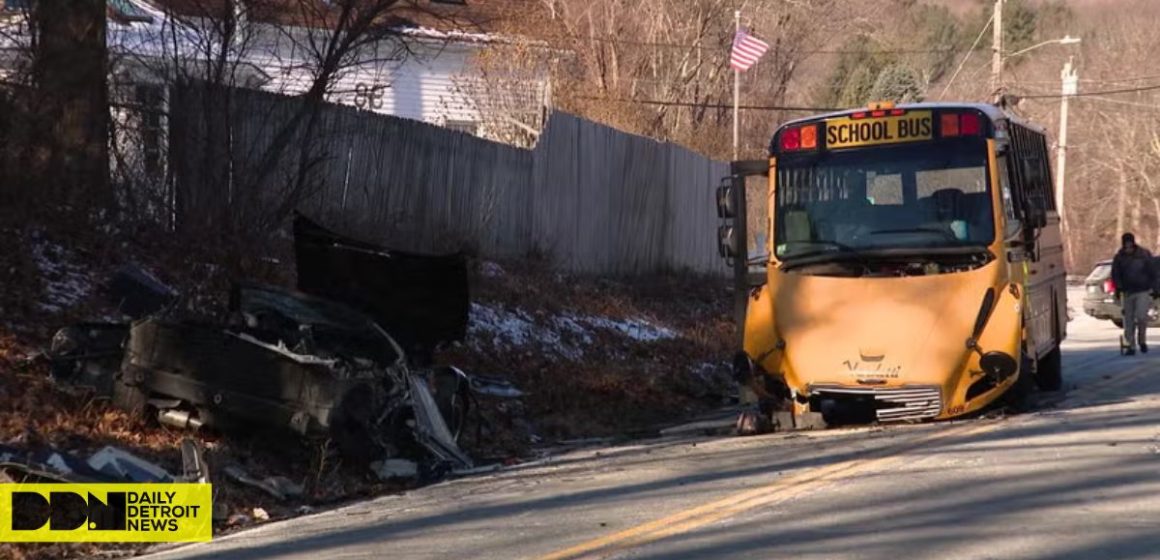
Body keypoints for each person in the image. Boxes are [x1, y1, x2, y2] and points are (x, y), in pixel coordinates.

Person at [1111, 232, 1155, 355]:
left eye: (1130, 244)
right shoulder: (1119, 257)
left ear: (1133, 243)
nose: (1128, 247)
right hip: (1127, 292)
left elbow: (1152, 272)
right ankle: (1130, 345)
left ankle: (1142, 341)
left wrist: (1155, 288)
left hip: (1143, 290)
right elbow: (1115, 274)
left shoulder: (1143, 255)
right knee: (1128, 320)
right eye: (1126, 245)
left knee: (1141, 317)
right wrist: (1118, 288)